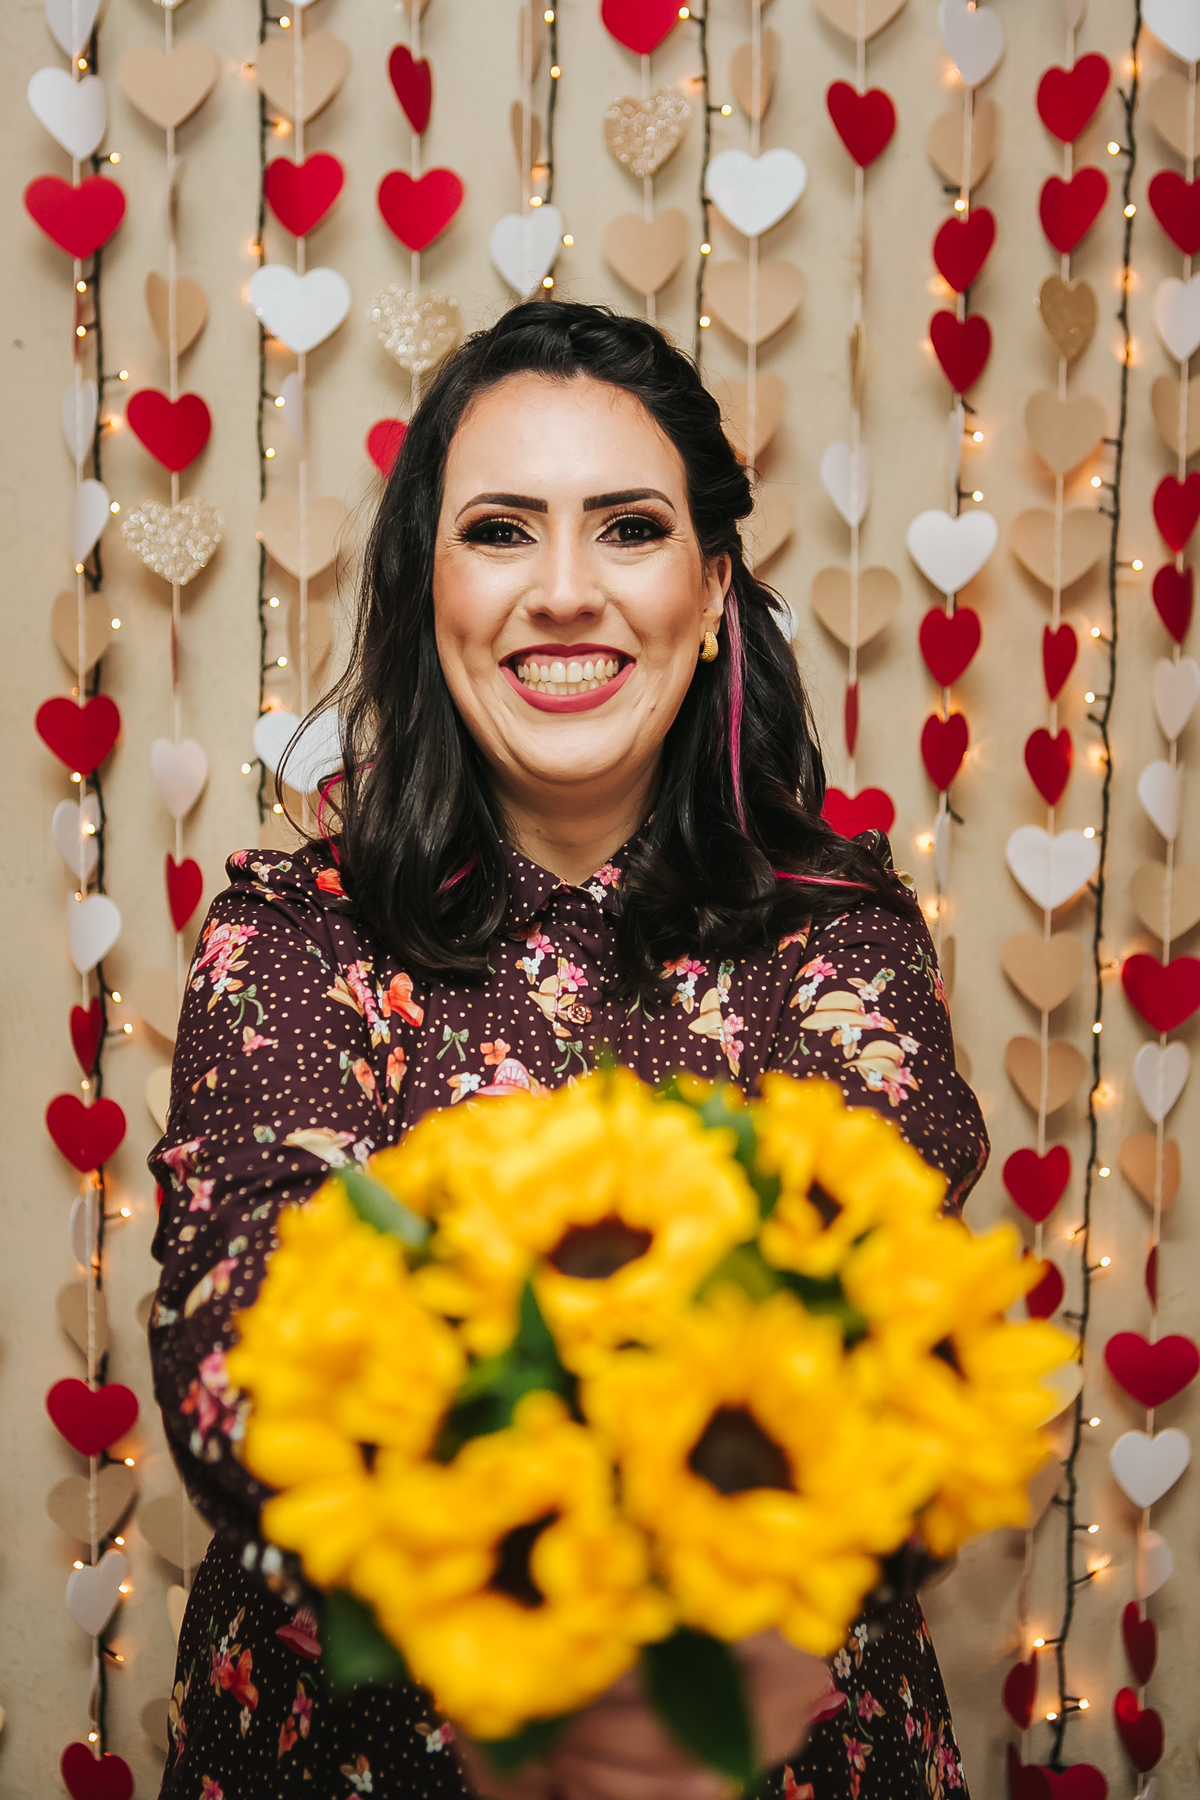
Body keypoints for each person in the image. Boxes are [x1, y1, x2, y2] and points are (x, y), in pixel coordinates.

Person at [149, 301, 986, 1800]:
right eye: (499, 532)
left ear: (712, 589)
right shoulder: (289, 936)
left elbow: (894, 1343)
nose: (563, 592)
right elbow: (239, 1360)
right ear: (426, 591)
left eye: (628, 528)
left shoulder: (843, 940)